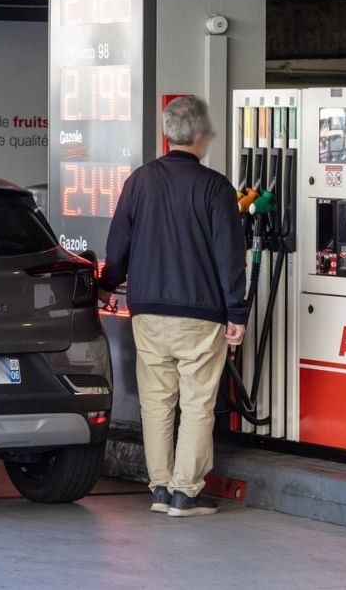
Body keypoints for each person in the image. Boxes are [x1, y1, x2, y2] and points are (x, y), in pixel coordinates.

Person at [98, 96, 247, 518]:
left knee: (157, 400)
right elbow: (229, 257)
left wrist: (107, 285)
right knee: (198, 402)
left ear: (168, 134)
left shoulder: (139, 181)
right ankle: (187, 491)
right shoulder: (216, 187)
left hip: (147, 312)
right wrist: (237, 313)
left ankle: (160, 488)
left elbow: (118, 247)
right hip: (200, 314)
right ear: (200, 135)